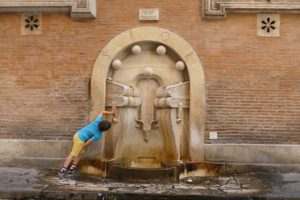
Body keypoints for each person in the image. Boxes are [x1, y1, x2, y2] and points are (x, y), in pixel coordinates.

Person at [58, 110, 115, 178]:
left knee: (81, 153)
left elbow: (101, 112)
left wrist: (111, 113)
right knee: (73, 154)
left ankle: (72, 168)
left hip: (78, 135)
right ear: (105, 130)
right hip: (80, 140)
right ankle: (63, 170)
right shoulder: (98, 134)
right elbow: (89, 141)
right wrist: (83, 146)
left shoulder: (97, 121)